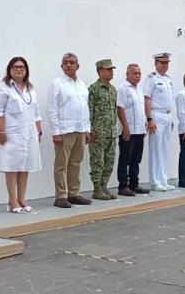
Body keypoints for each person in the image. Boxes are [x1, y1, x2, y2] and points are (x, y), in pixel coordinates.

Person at [0, 57, 43, 214]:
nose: (19, 69)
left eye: (22, 67)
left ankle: (22, 198)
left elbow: (36, 111)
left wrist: (38, 129)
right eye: (15, 67)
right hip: (12, 133)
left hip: (29, 133)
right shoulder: (3, 88)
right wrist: (1, 132)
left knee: (25, 166)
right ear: (9, 69)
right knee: (12, 166)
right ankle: (12, 200)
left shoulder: (30, 88)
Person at [48, 53, 92, 208]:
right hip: (65, 130)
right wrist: (56, 132)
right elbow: (52, 109)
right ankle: (61, 196)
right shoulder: (57, 84)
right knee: (62, 165)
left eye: (72, 62)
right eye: (65, 63)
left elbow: (85, 108)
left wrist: (87, 129)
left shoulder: (82, 84)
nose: (68, 65)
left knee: (76, 163)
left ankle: (73, 193)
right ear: (61, 66)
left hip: (80, 129)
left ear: (77, 66)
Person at [116, 64, 150, 197]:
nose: (137, 76)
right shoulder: (123, 89)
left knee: (136, 159)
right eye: (135, 73)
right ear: (127, 74)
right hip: (128, 130)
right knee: (125, 158)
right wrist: (125, 127)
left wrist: (145, 123)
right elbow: (120, 108)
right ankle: (123, 186)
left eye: (139, 73)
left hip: (139, 130)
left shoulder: (139, 89)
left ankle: (134, 184)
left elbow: (140, 109)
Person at [143, 52, 175, 192]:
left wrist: (171, 117)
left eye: (166, 62)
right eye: (162, 62)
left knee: (164, 149)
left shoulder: (168, 79)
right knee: (156, 150)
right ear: (156, 64)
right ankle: (155, 182)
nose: (164, 65)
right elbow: (147, 99)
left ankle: (163, 179)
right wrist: (149, 119)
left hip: (167, 116)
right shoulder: (152, 79)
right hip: (156, 115)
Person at [88, 59, 119, 201]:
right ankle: (97, 189)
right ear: (100, 71)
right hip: (98, 132)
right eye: (108, 69)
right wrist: (89, 130)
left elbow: (114, 111)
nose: (111, 72)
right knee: (97, 161)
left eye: (112, 69)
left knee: (109, 161)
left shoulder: (113, 90)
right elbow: (90, 111)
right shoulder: (93, 89)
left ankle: (104, 186)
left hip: (111, 132)